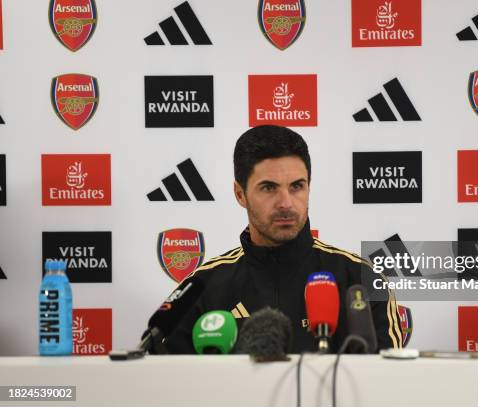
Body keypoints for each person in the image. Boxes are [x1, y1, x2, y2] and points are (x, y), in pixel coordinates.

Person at [163, 125, 403, 353]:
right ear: (240, 194)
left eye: (297, 186)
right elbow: (168, 384)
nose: (286, 203)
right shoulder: (202, 287)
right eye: (269, 188)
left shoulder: (361, 280)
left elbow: (388, 383)